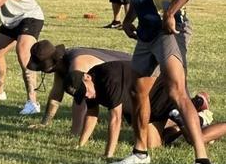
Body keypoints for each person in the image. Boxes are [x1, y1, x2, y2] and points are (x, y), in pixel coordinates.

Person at [98, 0, 215, 164]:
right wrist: (129, 20)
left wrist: (171, 13)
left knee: (177, 92)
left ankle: (202, 161)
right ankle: (140, 152)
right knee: (137, 90)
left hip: (169, 31)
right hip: (147, 33)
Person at [74, 61, 226, 159]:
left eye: (85, 91)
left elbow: (116, 120)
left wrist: (108, 156)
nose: (87, 95)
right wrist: (80, 145)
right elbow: (92, 114)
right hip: (147, 108)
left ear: (87, 77)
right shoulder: (90, 87)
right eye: (83, 95)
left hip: (163, 96)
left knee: (193, 138)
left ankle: (192, 114)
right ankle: (195, 112)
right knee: (156, 144)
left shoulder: (108, 79)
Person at [26, 40, 131, 133]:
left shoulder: (77, 64)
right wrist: (45, 122)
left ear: (50, 65)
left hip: (132, 74)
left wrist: (75, 132)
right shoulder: (61, 63)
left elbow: (80, 99)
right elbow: (56, 95)